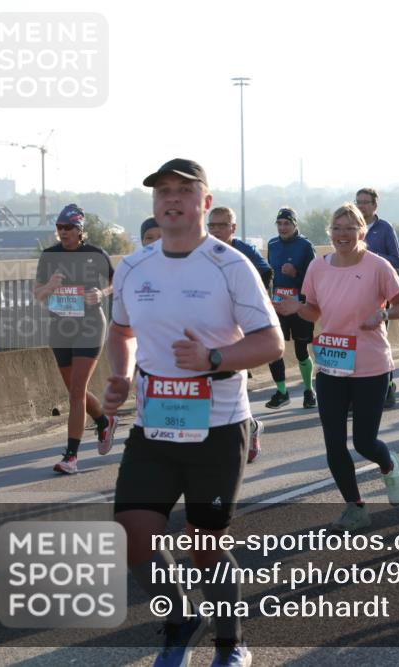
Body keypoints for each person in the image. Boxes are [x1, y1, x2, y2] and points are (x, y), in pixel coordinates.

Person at [103, 158, 283, 666]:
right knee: (134, 537)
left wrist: (214, 359)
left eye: (184, 190)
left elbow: (270, 341)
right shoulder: (135, 267)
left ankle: (231, 643)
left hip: (218, 427)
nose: (171, 199)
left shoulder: (230, 264)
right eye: (162, 192)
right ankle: (180, 618)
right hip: (154, 425)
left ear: (205, 202)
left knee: (204, 547)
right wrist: (120, 376)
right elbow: (121, 332)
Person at [277, 203, 399, 530]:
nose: (343, 234)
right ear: (330, 233)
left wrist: (381, 314)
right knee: (334, 442)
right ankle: (355, 506)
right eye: (337, 228)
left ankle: (387, 463)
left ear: (362, 233)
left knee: (364, 442)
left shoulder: (378, 266)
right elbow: (314, 310)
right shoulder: (317, 268)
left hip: (371, 364)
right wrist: (297, 307)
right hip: (332, 364)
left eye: (350, 228)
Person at [35, 204, 116, 474]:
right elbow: (38, 293)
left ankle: (71, 456)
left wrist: (102, 294)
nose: (62, 232)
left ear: (80, 230)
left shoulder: (95, 253)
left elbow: (117, 282)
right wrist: (50, 286)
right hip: (61, 328)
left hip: (90, 326)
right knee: (74, 392)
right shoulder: (49, 256)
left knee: (77, 392)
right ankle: (104, 422)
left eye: (68, 227)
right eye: (59, 227)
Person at [207, 206, 271, 463]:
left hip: (239, 330)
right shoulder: (201, 252)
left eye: (222, 225)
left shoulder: (245, 252)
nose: (216, 230)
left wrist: (251, 307)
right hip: (209, 330)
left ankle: (249, 426)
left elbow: (266, 272)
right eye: (211, 225)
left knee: (232, 384)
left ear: (233, 228)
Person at [355, 187, 399, 407]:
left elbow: (396, 260)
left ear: (375, 205)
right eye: (358, 202)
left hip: (380, 293)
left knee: (379, 340)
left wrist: (372, 258)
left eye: (365, 202)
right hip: (355, 292)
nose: (361, 206)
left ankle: (388, 385)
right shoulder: (353, 228)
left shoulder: (384, 228)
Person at [265, 207, 317, 409]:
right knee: (273, 348)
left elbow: (314, 278)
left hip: (299, 303)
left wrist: (296, 273)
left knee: (301, 350)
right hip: (278, 303)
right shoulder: (272, 244)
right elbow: (270, 273)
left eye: (287, 223)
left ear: (295, 224)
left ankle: (308, 391)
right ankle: (281, 391)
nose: (283, 227)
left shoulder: (305, 245)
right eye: (279, 223)